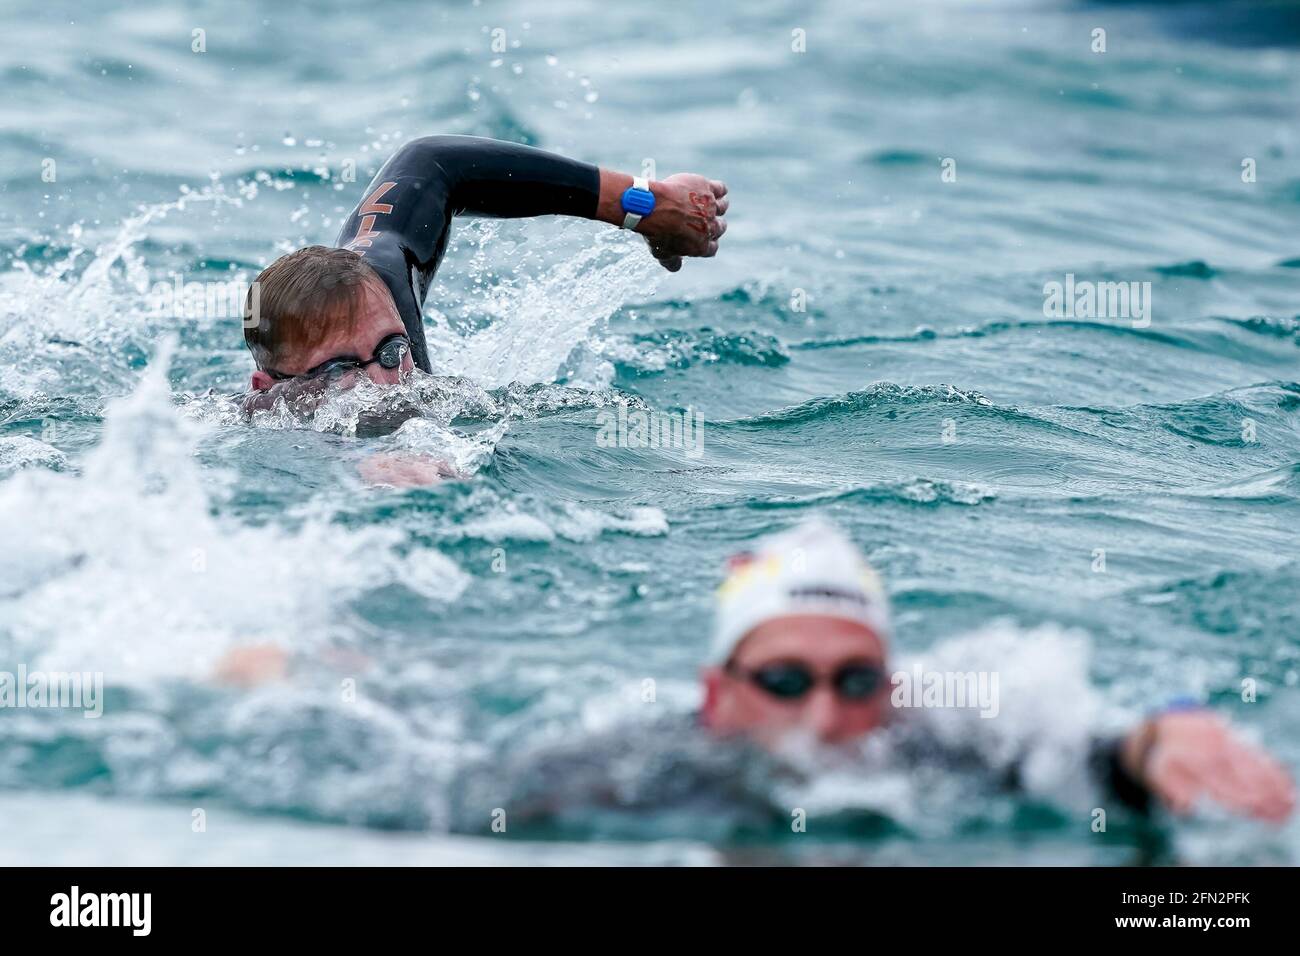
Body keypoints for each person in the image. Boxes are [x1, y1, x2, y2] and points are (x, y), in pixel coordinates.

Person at [700, 519, 1294, 822]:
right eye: (785, 681)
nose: (825, 717)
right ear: (716, 694)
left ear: (892, 684)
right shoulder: (635, 773)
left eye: (856, 680)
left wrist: (1162, 737)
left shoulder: (935, 748)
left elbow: (1086, 760)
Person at [240, 135, 727, 407]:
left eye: (394, 352)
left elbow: (431, 163)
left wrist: (642, 203)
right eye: (341, 370)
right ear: (269, 390)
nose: (388, 386)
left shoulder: (381, 282)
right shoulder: (227, 432)